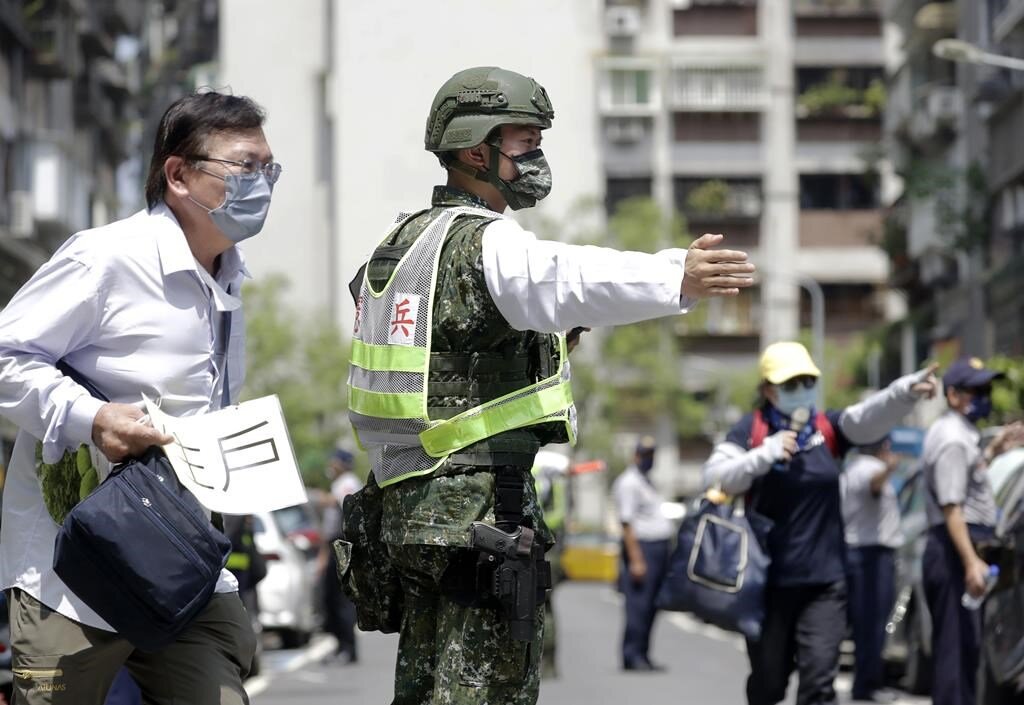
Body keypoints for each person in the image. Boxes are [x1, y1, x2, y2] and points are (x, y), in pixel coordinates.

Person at [344, 65, 755, 705]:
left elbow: (456, 354)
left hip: (409, 511)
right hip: (481, 510)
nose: (536, 155)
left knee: (423, 689)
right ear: (476, 150)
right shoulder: (487, 241)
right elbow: (563, 276)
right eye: (524, 141)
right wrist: (677, 275)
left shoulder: (401, 245)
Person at [0, 90, 278, 705]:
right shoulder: (104, 259)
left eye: (268, 168)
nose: (262, 184)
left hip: (180, 562)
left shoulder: (229, 279)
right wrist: (92, 417)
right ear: (178, 174)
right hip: (73, 570)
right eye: (244, 167)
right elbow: (5, 358)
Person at [703, 342, 938, 705]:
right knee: (768, 685)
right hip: (767, 585)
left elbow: (866, 417)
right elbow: (717, 476)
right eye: (790, 383)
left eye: (807, 381)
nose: (801, 391)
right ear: (768, 389)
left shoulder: (827, 428)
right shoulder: (751, 430)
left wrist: (904, 392)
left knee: (819, 682)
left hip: (826, 583)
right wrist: (763, 455)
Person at [920, 357, 1023, 705]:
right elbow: (953, 508)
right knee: (955, 654)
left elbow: (971, 479)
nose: (984, 397)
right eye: (976, 390)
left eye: (987, 389)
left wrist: (994, 450)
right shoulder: (952, 439)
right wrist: (970, 563)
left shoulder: (962, 433)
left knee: (966, 649)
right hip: (954, 550)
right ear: (953, 395)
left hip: (959, 548)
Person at [840, 437, 902, 703]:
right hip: (870, 556)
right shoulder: (866, 468)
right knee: (873, 623)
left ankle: (866, 681)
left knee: (868, 623)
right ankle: (867, 684)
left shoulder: (853, 467)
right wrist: (888, 470)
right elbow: (874, 484)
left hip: (864, 554)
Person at [612, 435, 673, 672]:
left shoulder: (647, 481)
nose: (649, 459)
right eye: (645, 455)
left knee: (650, 606)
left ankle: (643, 654)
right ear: (636, 455)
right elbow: (627, 524)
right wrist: (636, 559)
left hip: (657, 549)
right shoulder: (629, 483)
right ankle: (632, 655)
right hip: (642, 549)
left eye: (652, 455)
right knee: (638, 605)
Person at [317, 448, 362, 663]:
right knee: (330, 600)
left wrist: (318, 497)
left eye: (334, 461)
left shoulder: (348, 481)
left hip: (343, 546)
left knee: (343, 600)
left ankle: (349, 648)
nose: (331, 465)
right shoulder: (338, 483)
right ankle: (339, 644)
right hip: (332, 547)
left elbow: (340, 503)